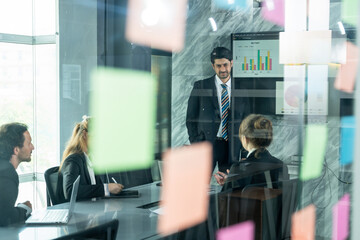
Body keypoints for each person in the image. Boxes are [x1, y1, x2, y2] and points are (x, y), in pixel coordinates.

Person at [186, 47, 250, 172]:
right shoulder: (201, 86)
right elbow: (191, 118)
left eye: (225, 65)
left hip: (232, 147)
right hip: (206, 145)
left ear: (231, 63)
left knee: (229, 186)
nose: (222, 69)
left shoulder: (242, 89)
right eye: (218, 66)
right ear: (213, 66)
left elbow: (246, 123)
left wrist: (244, 152)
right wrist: (196, 143)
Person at [57, 116, 124, 201]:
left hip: (92, 210)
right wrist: (106, 188)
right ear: (85, 134)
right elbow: (70, 191)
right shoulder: (73, 160)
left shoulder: (90, 158)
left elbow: (94, 189)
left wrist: (110, 189)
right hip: (79, 212)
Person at [214, 114, 288, 188]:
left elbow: (226, 198)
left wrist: (229, 183)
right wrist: (230, 182)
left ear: (245, 139)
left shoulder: (239, 168)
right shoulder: (281, 165)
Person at [0, 123, 34, 226]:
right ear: (16, 150)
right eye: (29, 144)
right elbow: (4, 218)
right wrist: (25, 209)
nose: (33, 147)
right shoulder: (7, 174)